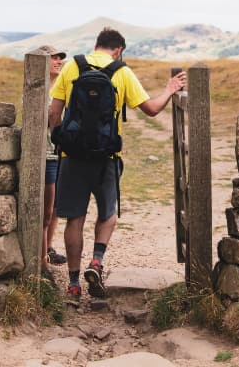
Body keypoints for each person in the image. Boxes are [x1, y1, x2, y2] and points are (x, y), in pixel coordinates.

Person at [48, 27, 187, 304]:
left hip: (72, 158)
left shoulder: (72, 66)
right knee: (108, 213)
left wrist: (65, 140)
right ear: (119, 49)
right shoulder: (121, 71)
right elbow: (151, 109)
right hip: (106, 158)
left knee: (74, 219)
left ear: (96, 45)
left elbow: (54, 112)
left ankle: (74, 285)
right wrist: (170, 89)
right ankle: (97, 262)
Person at [35, 44, 68, 275]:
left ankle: (48, 248)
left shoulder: (62, 88)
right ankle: (41, 265)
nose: (58, 61)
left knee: (56, 208)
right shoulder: (37, 90)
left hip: (60, 154)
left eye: (59, 58)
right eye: (53, 58)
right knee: (45, 212)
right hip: (45, 155)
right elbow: (45, 122)